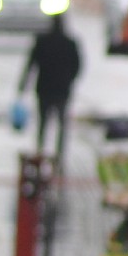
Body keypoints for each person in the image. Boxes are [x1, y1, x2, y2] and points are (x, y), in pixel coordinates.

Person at [18, 12, 81, 160]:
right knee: (62, 122)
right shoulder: (70, 44)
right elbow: (77, 66)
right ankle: (59, 153)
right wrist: (69, 80)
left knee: (43, 122)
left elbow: (31, 65)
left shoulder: (42, 41)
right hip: (62, 89)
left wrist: (24, 84)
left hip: (44, 89)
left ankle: (41, 150)